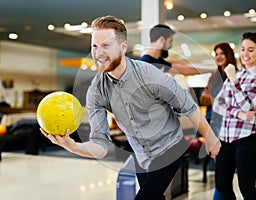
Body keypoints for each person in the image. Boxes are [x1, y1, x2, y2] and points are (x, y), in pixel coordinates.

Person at [40, 15, 221, 200]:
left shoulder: (148, 73)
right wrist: (72, 146)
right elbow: (100, 146)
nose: (98, 53)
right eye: (95, 46)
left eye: (106, 45)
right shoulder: (96, 91)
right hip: (141, 154)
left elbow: (187, 105)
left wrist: (211, 138)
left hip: (169, 147)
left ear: (123, 47)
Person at [213, 32, 256, 200]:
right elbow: (218, 104)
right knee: (221, 183)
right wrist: (238, 113)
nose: (245, 54)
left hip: (248, 137)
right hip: (226, 137)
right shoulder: (237, 74)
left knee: (246, 186)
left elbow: (248, 104)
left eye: (251, 50)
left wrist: (233, 80)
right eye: (243, 49)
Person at [199, 42, 237, 197]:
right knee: (221, 173)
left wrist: (215, 99)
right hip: (213, 125)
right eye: (217, 54)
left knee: (223, 174)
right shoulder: (214, 76)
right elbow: (206, 100)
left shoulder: (234, 75)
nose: (219, 57)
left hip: (228, 127)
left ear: (228, 55)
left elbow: (233, 101)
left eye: (222, 53)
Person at [140, 24, 214, 75]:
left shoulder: (157, 61)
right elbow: (184, 69)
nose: (170, 46)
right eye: (170, 41)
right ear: (162, 40)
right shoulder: (147, 63)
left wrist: (212, 69)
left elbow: (183, 65)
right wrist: (213, 70)